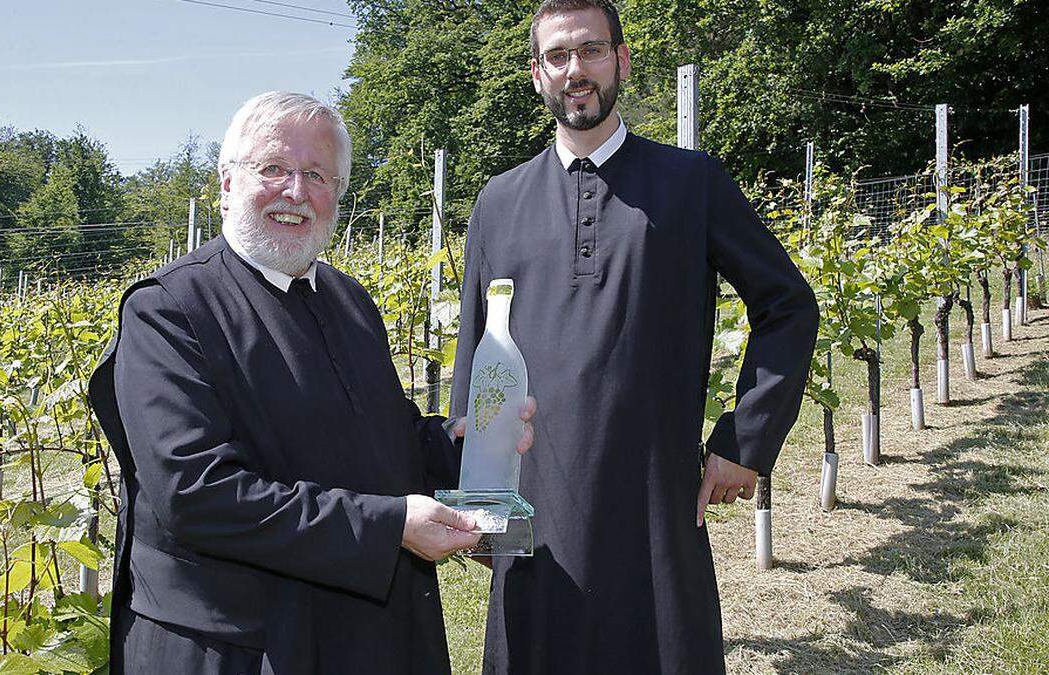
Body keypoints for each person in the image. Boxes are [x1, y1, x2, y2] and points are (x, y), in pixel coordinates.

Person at [88, 91, 534, 674]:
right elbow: (195, 493)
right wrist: (390, 526)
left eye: (318, 175)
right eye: (273, 168)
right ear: (226, 183)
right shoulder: (169, 310)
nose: (296, 192)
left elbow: (380, 436)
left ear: (338, 195)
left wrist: (464, 448)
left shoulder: (349, 301)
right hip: (238, 645)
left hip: (362, 633)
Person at [450, 1, 819, 673]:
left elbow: (788, 306)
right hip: (535, 508)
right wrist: (475, 491)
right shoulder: (498, 202)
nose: (575, 70)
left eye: (590, 51)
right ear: (537, 74)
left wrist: (746, 440)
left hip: (655, 504)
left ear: (621, 60)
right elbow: (477, 355)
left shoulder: (691, 182)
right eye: (557, 57)